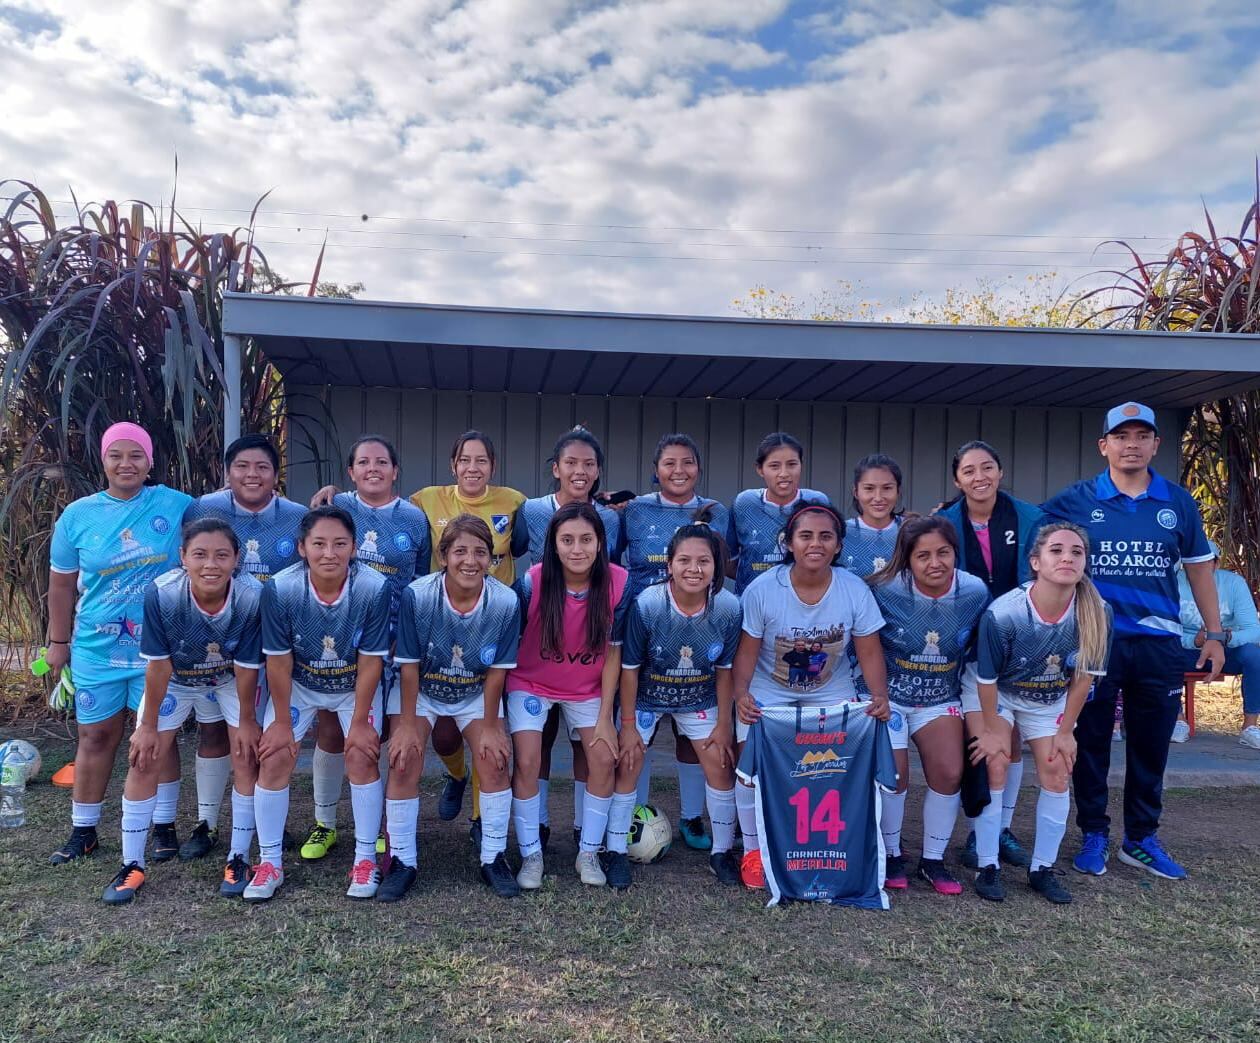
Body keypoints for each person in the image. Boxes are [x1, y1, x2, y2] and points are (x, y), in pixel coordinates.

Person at [1042, 402, 1224, 881]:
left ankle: (1141, 838)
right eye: (1121, 437)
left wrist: (1215, 634)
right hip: (1094, 642)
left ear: (1155, 446)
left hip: (1159, 645)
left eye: (1142, 436)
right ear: (1104, 445)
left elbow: (1200, 569)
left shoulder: (1177, 501)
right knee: (1091, 740)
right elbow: (1030, 536)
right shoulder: (1076, 500)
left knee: (1150, 745)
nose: (1132, 445)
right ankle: (1094, 835)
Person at [47, 423, 193, 865]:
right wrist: (58, 642)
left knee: (158, 740)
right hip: (97, 647)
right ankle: (84, 830)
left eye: (136, 455)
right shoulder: (77, 516)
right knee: (95, 736)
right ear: (103, 460)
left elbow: (231, 513)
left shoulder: (177, 505)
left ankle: (163, 825)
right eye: (117, 455)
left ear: (150, 462)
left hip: (159, 651)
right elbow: (60, 584)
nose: (126, 464)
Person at [100, 518, 264, 903]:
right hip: (175, 679)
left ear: (237, 559)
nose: (211, 564)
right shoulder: (163, 593)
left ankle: (238, 856)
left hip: (226, 678)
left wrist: (246, 720)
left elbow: (246, 665)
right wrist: (147, 725)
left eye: (222, 555)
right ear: (183, 558)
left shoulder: (251, 595)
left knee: (245, 755)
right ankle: (131, 864)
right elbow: (158, 664)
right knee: (144, 757)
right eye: (200, 555)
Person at [733, 500, 891, 890]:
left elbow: (869, 649)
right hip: (770, 689)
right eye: (805, 536)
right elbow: (747, 652)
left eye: (825, 536)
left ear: (839, 545)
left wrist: (878, 695)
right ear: (789, 543)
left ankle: (840, 844)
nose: (815, 544)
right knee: (748, 768)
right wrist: (741, 695)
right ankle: (753, 851)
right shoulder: (763, 590)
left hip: (830, 689)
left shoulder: (853, 589)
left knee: (838, 765)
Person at [243, 506, 392, 902]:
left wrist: (360, 720)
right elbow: (278, 658)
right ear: (301, 548)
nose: (330, 553)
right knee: (274, 755)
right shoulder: (280, 587)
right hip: (300, 683)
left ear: (354, 548)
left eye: (340, 544)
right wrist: (278, 723)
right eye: (319, 544)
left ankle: (365, 860)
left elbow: (371, 659)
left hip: (353, 683)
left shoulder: (373, 587)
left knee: (360, 753)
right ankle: (270, 861)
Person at [299, 435, 431, 862]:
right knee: (333, 730)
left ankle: (378, 828)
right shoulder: (336, 510)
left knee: (387, 733)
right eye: (363, 462)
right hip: (342, 641)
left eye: (382, 462)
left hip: (397, 640)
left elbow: (423, 579)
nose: (373, 468)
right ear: (351, 471)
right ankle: (325, 823)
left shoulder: (414, 517)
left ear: (395, 471)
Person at [965, 522, 1113, 904]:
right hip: (1001, 693)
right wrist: (994, 730)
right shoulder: (1005, 613)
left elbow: (1083, 678)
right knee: (995, 760)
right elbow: (986, 678)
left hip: (1050, 699)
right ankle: (987, 865)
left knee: (1058, 768)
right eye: (1057, 550)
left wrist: (1067, 730)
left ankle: (1041, 869)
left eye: (1077, 552)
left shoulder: (1097, 612)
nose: (1067, 557)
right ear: (1036, 561)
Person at [179, 433, 306, 861]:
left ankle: (270, 822)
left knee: (265, 736)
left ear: (276, 475)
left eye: (263, 467)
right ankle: (207, 822)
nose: (252, 475)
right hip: (214, 641)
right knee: (214, 732)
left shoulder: (296, 516)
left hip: (273, 646)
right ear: (227, 471)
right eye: (243, 466)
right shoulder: (203, 509)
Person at [386, 514, 523, 899]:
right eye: (460, 551)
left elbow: (497, 670)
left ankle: (493, 856)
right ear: (443, 555)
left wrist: (493, 725)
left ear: (491, 559)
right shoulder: (419, 594)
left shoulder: (505, 600)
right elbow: (409, 666)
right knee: (404, 756)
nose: (470, 560)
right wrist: (409, 724)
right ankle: (402, 860)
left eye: (481, 552)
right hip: (422, 687)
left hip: (475, 689)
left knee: (495, 757)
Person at [608, 522, 744, 890]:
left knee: (719, 764)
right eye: (684, 560)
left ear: (716, 566)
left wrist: (723, 725)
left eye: (703, 561)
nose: (694, 569)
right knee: (629, 762)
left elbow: (725, 670)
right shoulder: (649, 605)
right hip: (648, 697)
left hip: (697, 698)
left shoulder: (728, 607)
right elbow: (630, 670)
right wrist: (629, 724)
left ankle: (721, 851)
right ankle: (616, 849)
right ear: (669, 565)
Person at [510, 427, 623, 850]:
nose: (580, 470)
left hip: (586, 665)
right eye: (571, 462)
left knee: (589, 749)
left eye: (589, 463)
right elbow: (515, 546)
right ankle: (534, 830)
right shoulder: (531, 515)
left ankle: (585, 835)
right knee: (534, 746)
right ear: (555, 469)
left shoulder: (611, 521)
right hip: (540, 660)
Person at [620, 433, 731, 851]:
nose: (679, 470)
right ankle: (637, 815)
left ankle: (691, 818)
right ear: (656, 469)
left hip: (698, 628)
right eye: (669, 463)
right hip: (644, 629)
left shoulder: (718, 513)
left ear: (698, 469)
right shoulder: (634, 510)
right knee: (637, 737)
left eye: (687, 462)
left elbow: (728, 561)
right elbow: (612, 556)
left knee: (691, 736)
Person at [868, 516, 989, 896]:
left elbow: (977, 655)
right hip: (889, 697)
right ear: (907, 559)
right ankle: (890, 853)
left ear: (956, 553)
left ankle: (933, 859)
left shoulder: (973, 591)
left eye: (943, 553)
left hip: (940, 696)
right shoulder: (883, 589)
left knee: (950, 771)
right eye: (923, 556)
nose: (934, 563)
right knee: (895, 775)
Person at [939, 439, 1045, 871]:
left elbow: (1038, 580)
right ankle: (977, 825)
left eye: (987, 468)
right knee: (981, 739)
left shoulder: (1030, 518)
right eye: (969, 470)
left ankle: (999, 829)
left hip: (1020, 643)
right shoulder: (945, 522)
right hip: (965, 646)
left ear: (1000, 472)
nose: (979, 477)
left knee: (1012, 741)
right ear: (957, 479)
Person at [1175, 542, 1260, 749]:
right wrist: (1193, 641)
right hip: (1187, 650)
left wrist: (1224, 638)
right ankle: (1177, 720)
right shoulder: (1173, 583)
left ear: (1216, 563)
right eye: (1194, 562)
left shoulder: (1233, 584)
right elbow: (1164, 629)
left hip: (1226, 650)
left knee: (1253, 655)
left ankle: (1250, 726)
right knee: (1162, 651)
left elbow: (1253, 629)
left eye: (1207, 561)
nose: (1201, 567)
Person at [727, 432, 826, 595]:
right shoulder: (744, 503)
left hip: (804, 604)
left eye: (792, 464)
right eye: (774, 466)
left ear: (801, 465)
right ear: (760, 469)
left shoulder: (816, 502)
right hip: (753, 605)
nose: (784, 473)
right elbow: (728, 561)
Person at [843, 454, 904, 578]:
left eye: (887, 488)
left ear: (898, 491)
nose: (878, 498)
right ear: (856, 492)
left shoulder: (912, 530)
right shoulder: (840, 533)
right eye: (869, 488)